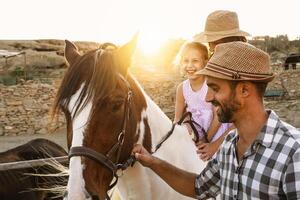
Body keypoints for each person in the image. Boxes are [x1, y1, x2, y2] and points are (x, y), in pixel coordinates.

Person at [133, 42, 300, 199]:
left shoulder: (293, 154)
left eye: (215, 88)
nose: (207, 97)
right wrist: (152, 162)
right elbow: (198, 186)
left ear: (244, 90)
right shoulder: (228, 145)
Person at [174, 41, 232, 161]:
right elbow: (177, 119)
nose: (189, 65)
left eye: (195, 61)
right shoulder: (182, 88)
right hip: (196, 132)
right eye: (185, 61)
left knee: (212, 158)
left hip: (215, 132)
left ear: (205, 63)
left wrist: (207, 139)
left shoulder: (210, 85)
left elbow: (218, 117)